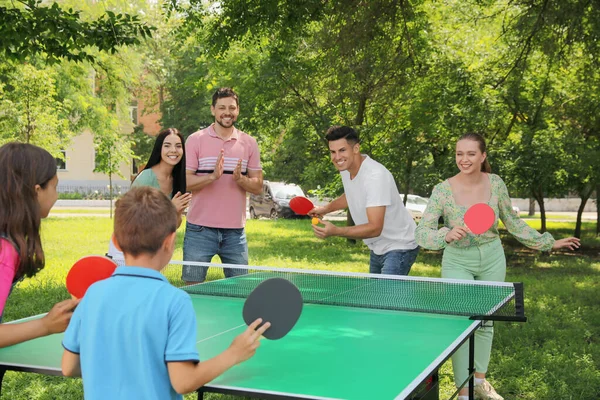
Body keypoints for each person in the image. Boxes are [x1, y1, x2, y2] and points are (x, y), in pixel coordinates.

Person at [61, 186, 270, 399]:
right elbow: (183, 382)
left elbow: (69, 367)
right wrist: (233, 354)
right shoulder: (175, 301)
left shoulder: (93, 293)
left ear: (115, 241)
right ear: (169, 242)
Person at [414, 132, 580, 400]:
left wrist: (549, 243)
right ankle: (464, 391)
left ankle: (480, 382)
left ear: (483, 156)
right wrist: (445, 234)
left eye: (470, 154)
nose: (463, 159)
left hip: (492, 257)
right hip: (457, 259)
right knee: (462, 325)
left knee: (486, 322)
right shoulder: (442, 189)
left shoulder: (496, 183)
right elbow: (422, 233)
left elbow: (512, 223)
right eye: (459, 153)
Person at [309, 126, 419, 276]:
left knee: (386, 298)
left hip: (399, 245)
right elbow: (351, 194)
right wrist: (325, 209)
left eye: (342, 150)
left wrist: (337, 231)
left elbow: (375, 227)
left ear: (356, 148)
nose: (337, 157)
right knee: (373, 297)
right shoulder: (347, 169)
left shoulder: (375, 176)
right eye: (332, 152)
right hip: (377, 246)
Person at [0, 142, 79, 348]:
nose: (57, 195)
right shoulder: (4, 252)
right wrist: (45, 325)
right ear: (36, 191)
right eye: (54, 187)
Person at [182, 88, 263, 283]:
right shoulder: (195, 140)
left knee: (240, 291)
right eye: (222, 107)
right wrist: (212, 176)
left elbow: (258, 186)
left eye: (231, 108)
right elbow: (185, 182)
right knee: (194, 289)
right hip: (199, 230)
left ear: (238, 110)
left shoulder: (249, 143)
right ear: (213, 110)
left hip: (235, 232)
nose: (227, 112)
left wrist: (241, 180)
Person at [107, 128, 191, 262]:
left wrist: (176, 213)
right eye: (167, 145)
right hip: (129, 248)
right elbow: (135, 222)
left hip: (152, 248)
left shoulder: (177, 181)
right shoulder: (146, 179)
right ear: (159, 149)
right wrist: (171, 210)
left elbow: (174, 225)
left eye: (178, 146)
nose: (173, 150)